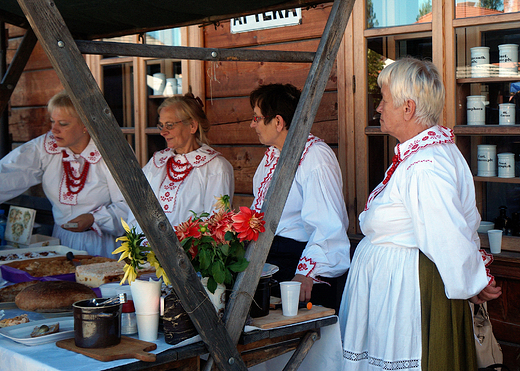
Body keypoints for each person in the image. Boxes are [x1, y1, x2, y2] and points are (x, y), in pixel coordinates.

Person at [338, 57, 502, 370]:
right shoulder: (423, 155)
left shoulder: (425, 165)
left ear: (408, 108)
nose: (379, 109)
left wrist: (473, 281)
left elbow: (447, 233)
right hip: (398, 287)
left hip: (410, 293)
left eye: (384, 101)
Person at [249, 83, 350, 311]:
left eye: (256, 118)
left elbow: (328, 225)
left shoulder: (315, 156)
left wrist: (307, 273)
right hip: (271, 259)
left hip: (297, 263)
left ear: (278, 122)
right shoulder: (272, 156)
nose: (252, 124)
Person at [0, 90, 130, 257]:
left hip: (102, 244)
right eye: (52, 121)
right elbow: (9, 172)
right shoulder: (46, 147)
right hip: (60, 242)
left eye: (63, 123)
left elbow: (128, 205)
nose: (54, 130)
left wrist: (93, 219)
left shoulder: (110, 153)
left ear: (86, 125)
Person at [128, 94, 234, 233]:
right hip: (148, 251)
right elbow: (137, 209)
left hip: (191, 254)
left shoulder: (216, 168)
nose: (163, 132)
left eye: (170, 125)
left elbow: (216, 225)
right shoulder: (156, 163)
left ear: (192, 126)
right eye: (161, 125)